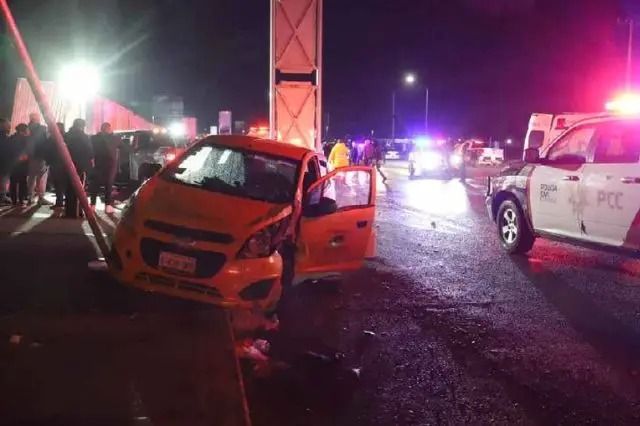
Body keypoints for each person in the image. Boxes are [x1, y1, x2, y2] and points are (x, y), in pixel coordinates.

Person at [64, 119, 93, 218]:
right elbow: (89, 151)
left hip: (68, 164)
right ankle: (78, 211)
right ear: (82, 126)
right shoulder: (83, 136)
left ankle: (69, 212)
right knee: (80, 188)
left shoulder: (67, 135)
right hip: (80, 165)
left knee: (69, 188)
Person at [90, 122, 121, 214]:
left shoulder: (94, 138)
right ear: (109, 129)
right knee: (109, 185)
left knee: (95, 185)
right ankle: (108, 206)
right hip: (110, 165)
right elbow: (125, 147)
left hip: (98, 163)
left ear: (101, 129)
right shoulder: (115, 138)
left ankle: (92, 205)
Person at [26, 112, 51, 205]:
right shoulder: (42, 128)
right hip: (41, 155)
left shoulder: (27, 128)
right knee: (42, 177)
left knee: (31, 177)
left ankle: (30, 196)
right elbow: (47, 140)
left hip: (30, 156)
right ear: (37, 118)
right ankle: (41, 197)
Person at [8, 124, 31, 206]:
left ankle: (13, 200)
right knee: (22, 182)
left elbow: (9, 151)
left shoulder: (11, 138)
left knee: (13, 182)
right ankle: (21, 200)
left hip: (12, 163)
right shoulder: (26, 139)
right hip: (23, 164)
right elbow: (29, 150)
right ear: (23, 130)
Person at [46, 123, 67, 209]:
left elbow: (49, 150)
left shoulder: (53, 138)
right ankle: (62, 201)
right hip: (63, 163)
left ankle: (59, 202)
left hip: (56, 163)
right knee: (62, 183)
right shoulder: (66, 137)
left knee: (58, 184)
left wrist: (48, 160)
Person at [0, 118, 12, 204]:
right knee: (3, 179)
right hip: (4, 162)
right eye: (8, 126)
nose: (9, 127)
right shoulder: (5, 137)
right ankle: (2, 196)